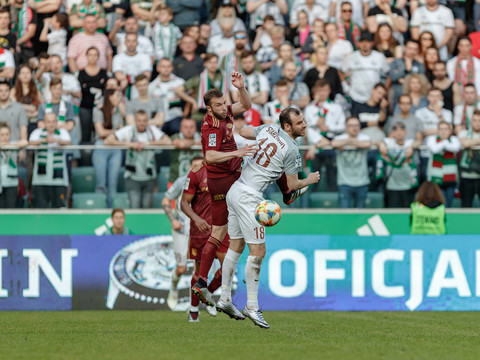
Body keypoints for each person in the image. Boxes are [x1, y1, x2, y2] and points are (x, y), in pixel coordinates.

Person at [191, 73, 307, 309]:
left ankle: (211, 289)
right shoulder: (210, 127)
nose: (225, 107)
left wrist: (242, 88)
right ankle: (211, 287)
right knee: (221, 233)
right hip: (223, 179)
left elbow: (245, 104)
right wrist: (236, 153)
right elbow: (210, 156)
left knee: (229, 238)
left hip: (232, 175)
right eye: (220, 105)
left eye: (225, 102)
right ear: (209, 109)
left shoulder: (224, 112)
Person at [217, 108, 320, 328]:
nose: (304, 124)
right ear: (287, 127)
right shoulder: (292, 149)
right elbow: (292, 186)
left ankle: (225, 297)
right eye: (299, 122)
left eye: (303, 120)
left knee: (235, 246)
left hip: (236, 190)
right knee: (258, 251)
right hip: (250, 198)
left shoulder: (269, 128)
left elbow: (244, 131)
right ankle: (252, 306)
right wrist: (310, 179)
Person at [181, 156, 230, 321]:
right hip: (201, 230)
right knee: (200, 272)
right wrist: (196, 219)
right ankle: (194, 310)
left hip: (223, 228)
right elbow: (183, 203)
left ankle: (207, 292)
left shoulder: (229, 170)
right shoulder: (196, 173)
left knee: (228, 268)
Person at [104, 110, 171, 208]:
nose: (142, 123)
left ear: (147, 121)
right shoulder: (129, 130)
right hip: (132, 177)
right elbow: (108, 141)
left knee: (147, 207)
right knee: (135, 207)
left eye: (144, 121)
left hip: (149, 177)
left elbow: (168, 141)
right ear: (135, 121)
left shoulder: (152, 130)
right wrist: (130, 144)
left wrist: (146, 144)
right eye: (139, 121)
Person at [162, 157, 203, 312]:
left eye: (200, 165)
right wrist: (172, 220)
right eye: (194, 166)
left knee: (197, 270)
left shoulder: (209, 181)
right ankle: (173, 287)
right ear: (189, 167)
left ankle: (193, 305)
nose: (197, 168)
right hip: (181, 229)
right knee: (181, 269)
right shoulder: (182, 181)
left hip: (199, 230)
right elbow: (166, 201)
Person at [29, 112, 71, 208]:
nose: (51, 124)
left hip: (58, 180)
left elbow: (68, 142)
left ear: (56, 122)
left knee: (59, 206)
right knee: (40, 207)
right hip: (40, 180)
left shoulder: (62, 132)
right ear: (44, 122)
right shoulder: (37, 132)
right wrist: (43, 140)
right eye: (48, 122)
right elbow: (31, 143)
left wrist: (56, 140)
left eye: (53, 122)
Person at [92, 89, 125, 208]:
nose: (119, 99)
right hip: (102, 147)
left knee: (113, 183)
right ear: (109, 97)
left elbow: (123, 132)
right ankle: (99, 208)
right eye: (117, 96)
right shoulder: (98, 111)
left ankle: (113, 210)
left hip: (115, 148)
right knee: (101, 183)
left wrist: (114, 133)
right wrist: (116, 132)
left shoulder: (117, 113)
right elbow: (100, 132)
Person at [331, 116, 371, 208]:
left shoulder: (364, 137)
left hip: (362, 182)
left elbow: (367, 144)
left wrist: (346, 143)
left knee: (361, 216)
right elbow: (333, 143)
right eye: (351, 125)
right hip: (344, 182)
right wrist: (354, 142)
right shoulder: (340, 137)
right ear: (346, 127)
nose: (355, 128)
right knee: (344, 215)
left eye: (357, 125)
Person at [377, 122, 417, 208]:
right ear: (393, 133)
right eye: (396, 130)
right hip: (392, 185)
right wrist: (381, 145)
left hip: (407, 185)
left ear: (405, 132)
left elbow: (418, 142)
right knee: (393, 212)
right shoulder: (388, 142)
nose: (399, 132)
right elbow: (377, 142)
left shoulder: (409, 142)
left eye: (401, 130)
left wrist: (412, 147)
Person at [426, 121, 461, 207]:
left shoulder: (454, 139)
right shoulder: (432, 139)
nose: (443, 131)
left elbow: (456, 148)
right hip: (436, 178)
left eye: (446, 129)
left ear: (450, 131)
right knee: (439, 204)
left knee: (449, 205)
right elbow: (434, 149)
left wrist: (443, 143)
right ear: (437, 131)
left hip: (451, 178)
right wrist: (445, 143)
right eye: (441, 129)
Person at [78, 47, 108, 143]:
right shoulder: (81, 73)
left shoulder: (103, 72)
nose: (92, 57)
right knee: (85, 133)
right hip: (85, 107)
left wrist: (88, 87)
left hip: (100, 107)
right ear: (86, 56)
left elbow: (105, 90)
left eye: (95, 55)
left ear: (98, 57)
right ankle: (85, 157)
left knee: (98, 133)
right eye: (90, 55)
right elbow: (80, 90)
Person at [148, 58, 185, 136]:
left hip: (176, 117)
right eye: (163, 66)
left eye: (168, 66)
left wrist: (185, 114)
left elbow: (187, 99)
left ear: (172, 68)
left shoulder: (180, 82)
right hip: (158, 119)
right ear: (158, 68)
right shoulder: (151, 86)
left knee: (178, 133)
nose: (166, 69)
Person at [0, 122, 28, 208]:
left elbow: (25, 142)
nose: (5, 137)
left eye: (7, 134)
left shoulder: (13, 146)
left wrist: (9, 145)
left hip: (11, 184)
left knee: (10, 210)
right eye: (2, 134)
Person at [458, 110, 480, 207]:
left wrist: (472, 143)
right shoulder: (464, 133)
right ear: (471, 121)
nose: (477, 123)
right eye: (475, 120)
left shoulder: (468, 136)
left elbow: (468, 143)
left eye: (479, 120)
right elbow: (465, 143)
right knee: (466, 205)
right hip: (467, 176)